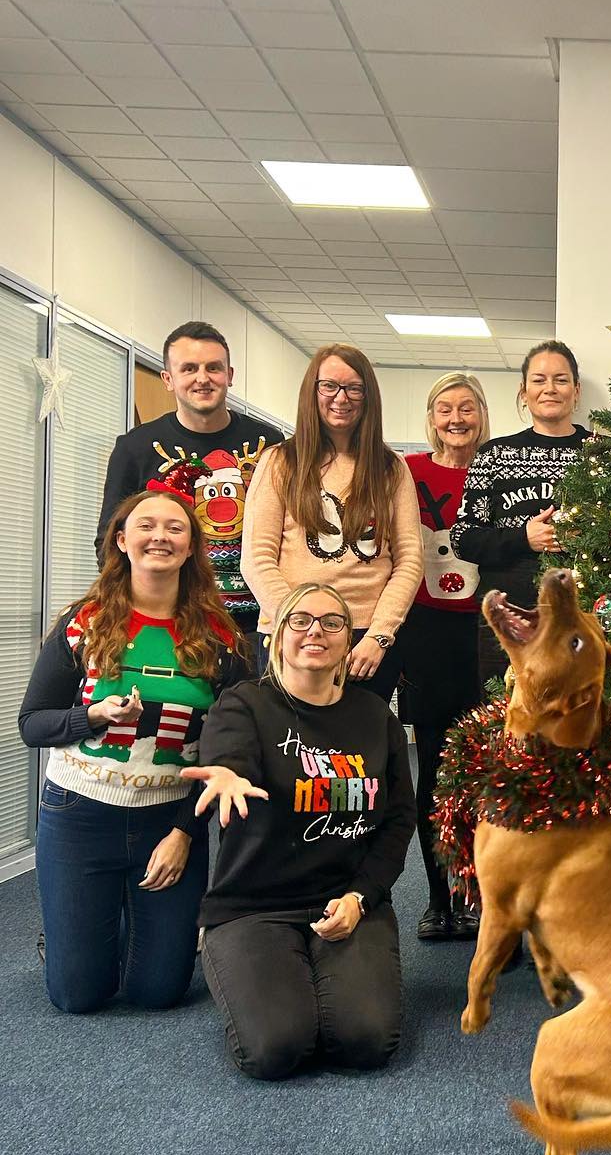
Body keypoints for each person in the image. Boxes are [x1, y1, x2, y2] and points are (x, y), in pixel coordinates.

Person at [19, 490, 246, 1014]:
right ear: (122, 540)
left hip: (167, 820)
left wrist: (188, 833)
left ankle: (116, 917)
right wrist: (92, 716)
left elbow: (232, 750)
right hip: (79, 814)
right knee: (78, 995)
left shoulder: (219, 639)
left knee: (159, 993)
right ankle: (72, 934)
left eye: (175, 528)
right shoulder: (85, 622)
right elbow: (33, 724)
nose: (159, 537)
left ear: (192, 548)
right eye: (146, 526)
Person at [186, 583, 416, 1081]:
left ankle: (317, 971)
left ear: (348, 639)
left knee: (367, 1042)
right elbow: (231, 757)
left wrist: (361, 897)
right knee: (276, 1050)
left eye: (333, 622)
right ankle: (240, 959)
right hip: (255, 907)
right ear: (277, 635)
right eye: (301, 620)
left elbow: (398, 822)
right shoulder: (243, 706)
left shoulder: (376, 717)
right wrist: (227, 773)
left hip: (347, 900)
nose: (316, 631)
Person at [240, 343, 422, 704]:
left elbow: (409, 561)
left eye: (355, 388)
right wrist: (301, 625)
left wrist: (380, 635)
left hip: (365, 645)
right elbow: (257, 559)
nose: (342, 398)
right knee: (289, 753)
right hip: (291, 636)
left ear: (368, 397)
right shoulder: (279, 462)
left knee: (362, 756)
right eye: (330, 386)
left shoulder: (391, 468)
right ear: (313, 390)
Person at [97, 321, 282, 655]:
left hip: (255, 628)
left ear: (230, 374)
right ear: (168, 379)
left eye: (214, 368)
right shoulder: (134, 447)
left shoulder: (270, 444)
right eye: (189, 368)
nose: (203, 378)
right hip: (171, 621)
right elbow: (109, 541)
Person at [397, 372, 489, 941]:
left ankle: (480, 895)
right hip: (426, 631)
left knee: (486, 768)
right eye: (444, 409)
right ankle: (438, 898)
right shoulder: (407, 474)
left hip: (486, 633)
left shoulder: (500, 469)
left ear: (482, 415)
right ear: (431, 418)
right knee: (431, 768)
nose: (455, 419)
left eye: (467, 409)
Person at [448, 339, 591, 695]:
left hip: (581, 613)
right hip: (505, 615)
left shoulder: (600, 455)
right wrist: (523, 539)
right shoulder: (493, 455)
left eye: (560, 380)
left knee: (575, 722)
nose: (550, 389)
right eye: (539, 380)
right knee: (507, 727)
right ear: (524, 392)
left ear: (576, 390)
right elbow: (463, 537)